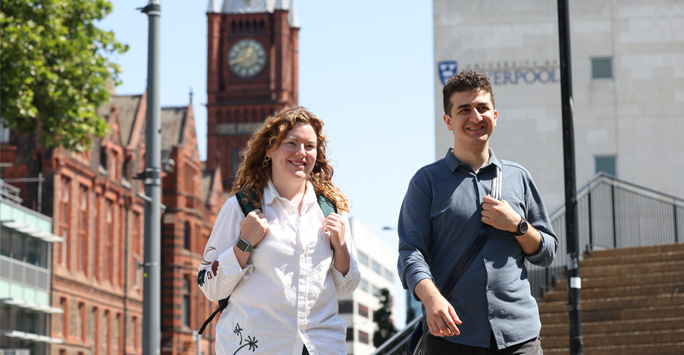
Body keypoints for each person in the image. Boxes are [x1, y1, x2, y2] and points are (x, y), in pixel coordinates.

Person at [398, 70, 558, 354]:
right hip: (451, 336)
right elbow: (411, 253)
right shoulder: (427, 182)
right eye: (464, 110)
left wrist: (518, 225)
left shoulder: (518, 177)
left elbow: (547, 252)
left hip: (519, 337)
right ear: (448, 121)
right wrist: (431, 299)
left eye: (482, 108)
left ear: (495, 115)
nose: (475, 117)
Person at [197, 106, 360, 355]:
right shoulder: (241, 208)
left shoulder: (331, 210)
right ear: (270, 149)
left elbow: (347, 287)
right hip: (258, 348)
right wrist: (244, 243)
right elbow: (209, 286)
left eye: (309, 146)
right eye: (291, 143)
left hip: (319, 347)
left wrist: (341, 248)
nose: (301, 153)